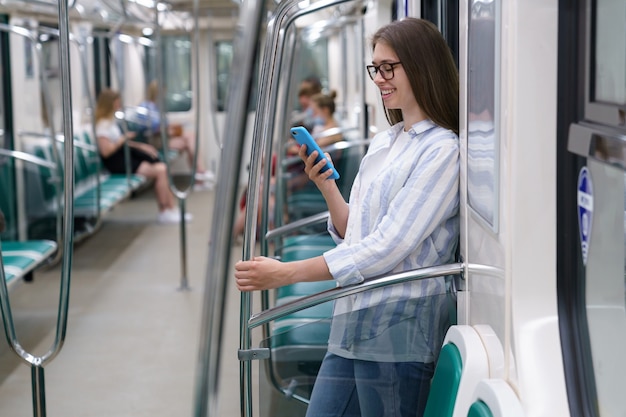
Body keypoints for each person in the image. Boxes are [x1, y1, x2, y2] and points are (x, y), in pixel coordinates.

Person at [235, 17, 459, 417]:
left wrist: (287, 273)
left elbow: (387, 248)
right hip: (354, 320)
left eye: (389, 68)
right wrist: (326, 187)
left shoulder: (442, 150)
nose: (380, 78)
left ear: (421, 66)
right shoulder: (387, 140)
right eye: (376, 68)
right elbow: (356, 232)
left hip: (398, 333)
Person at [94, 88, 192, 224]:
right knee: (161, 170)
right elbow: (106, 151)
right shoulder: (102, 126)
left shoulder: (111, 122)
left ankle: (171, 208)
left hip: (122, 156)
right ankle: (164, 210)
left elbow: (122, 142)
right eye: (116, 103)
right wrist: (123, 139)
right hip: (116, 162)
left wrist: (141, 146)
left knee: (162, 167)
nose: (118, 105)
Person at [138, 80, 214, 187]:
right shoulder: (144, 107)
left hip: (163, 137)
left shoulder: (156, 107)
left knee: (191, 137)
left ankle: (199, 175)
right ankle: (199, 175)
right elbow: (148, 128)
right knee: (189, 142)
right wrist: (166, 129)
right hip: (155, 140)